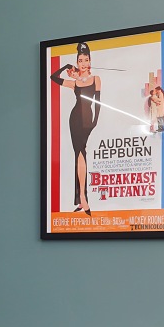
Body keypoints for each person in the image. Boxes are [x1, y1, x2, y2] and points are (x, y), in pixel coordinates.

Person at [51, 45, 101, 213]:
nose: (83, 63)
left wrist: (95, 121)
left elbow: (98, 102)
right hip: (74, 119)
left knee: (81, 154)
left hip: (88, 119)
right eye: (80, 61)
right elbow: (53, 77)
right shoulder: (74, 83)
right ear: (77, 63)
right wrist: (66, 67)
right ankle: (82, 199)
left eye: (86, 60)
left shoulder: (96, 79)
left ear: (90, 61)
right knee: (79, 154)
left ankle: (82, 198)